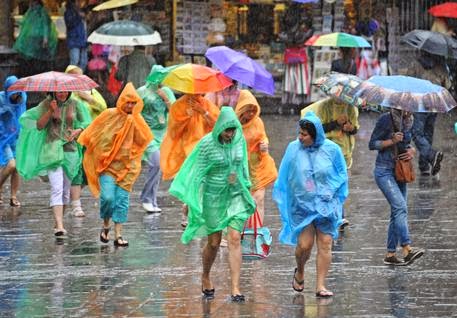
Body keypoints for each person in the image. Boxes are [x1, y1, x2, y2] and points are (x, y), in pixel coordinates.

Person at [169, 107, 256, 302]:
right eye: (227, 130)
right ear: (219, 128)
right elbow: (196, 172)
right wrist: (191, 199)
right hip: (213, 196)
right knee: (214, 242)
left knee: (234, 238)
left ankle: (235, 287)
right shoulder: (207, 144)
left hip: (235, 194)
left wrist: (247, 187)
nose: (230, 134)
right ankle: (206, 275)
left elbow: (243, 166)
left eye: (233, 130)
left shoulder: (239, 141)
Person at [273, 111, 348, 298]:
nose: (300, 137)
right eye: (299, 133)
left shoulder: (332, 150)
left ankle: (320, 285)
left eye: (304, 135)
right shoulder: (293, 149)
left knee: (325, 243)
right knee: (304, 245)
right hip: (303, 206)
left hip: (326, 205)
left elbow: (341, 174)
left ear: (315, 135)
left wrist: (330, 191)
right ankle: (300, 270)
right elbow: (285, 176)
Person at [78, 83, 152, 247]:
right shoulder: (109, 115)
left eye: (134, 103)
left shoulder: (137, 120)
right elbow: (94, 132)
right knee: (108, 198)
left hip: (128, 167)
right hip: (108, 166)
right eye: (128, 102)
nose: (131, 106)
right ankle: (106, 226)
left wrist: (133, 124)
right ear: (121, 101)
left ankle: (118, 234)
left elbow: (143, 141)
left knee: (121, 200)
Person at [16, 90, 91, 236]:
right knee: (57, 187)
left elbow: (87, 122)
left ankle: (58, 221)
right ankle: (60, 226)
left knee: (65, 190)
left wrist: (79, 130)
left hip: (70, 151)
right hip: (51, 149)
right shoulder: (46, 104)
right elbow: (38, 126)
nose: (62, 94)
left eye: (64, 91)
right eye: (59, 91)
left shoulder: (76, 104)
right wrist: (50, 111)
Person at [368, 108, 424, 265]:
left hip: (401, 171)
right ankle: (407, 248)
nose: (408, 109)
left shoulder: (410, 121)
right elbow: (372, 144)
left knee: (396, 210)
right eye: (405, 106)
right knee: (400, 207)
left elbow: (408, 144)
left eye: (411, 106)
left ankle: (390, 254)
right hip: (384, 171)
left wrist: (411, 150)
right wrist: (390, 141)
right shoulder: (385, 119)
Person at [160, 93, 220, 226]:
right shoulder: (179, 105)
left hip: (206, 148)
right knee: (195, 180)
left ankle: (190, 207)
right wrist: (187, 116)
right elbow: (173, 130)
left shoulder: (207, 104)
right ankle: (192, 211)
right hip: (187, 150)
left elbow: (218, 125)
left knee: (202, 182)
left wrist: (204, 112)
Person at [301, 97, 359, 230]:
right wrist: (336, 123)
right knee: (329, 181)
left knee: (340, 182)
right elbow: (318, 129)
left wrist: (350, 128)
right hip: (326, 151)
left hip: (344, 151)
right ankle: (336, 214)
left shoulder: (350, 108)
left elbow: (355, 129)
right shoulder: (324, 107)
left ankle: (336, 213)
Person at [64, 65, 107, 217]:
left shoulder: (91, 91)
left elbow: (103, 107)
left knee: (90, 172)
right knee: (77, 170)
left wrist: (88, 98)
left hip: (93, 137)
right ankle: (76, 204)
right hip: (75, 138)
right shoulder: (67, 94)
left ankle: (69, 193)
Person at [137, 66, 176, 213]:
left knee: (158, 168)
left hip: (162, 134)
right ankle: (146, 198)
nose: (162, 80)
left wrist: (165, 99)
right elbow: (134, 111)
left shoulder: (166, 91)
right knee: (156, 163)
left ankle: (151, 200)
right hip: (147, 133)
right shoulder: (142, 91)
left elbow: (175, 111)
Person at [234, 90, 277, 224]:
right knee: (240, 199)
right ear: (241, 108)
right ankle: (237, 229)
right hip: (240, 167)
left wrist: (265, 144)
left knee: (259, 198)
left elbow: (262, 136)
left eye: (254, 110)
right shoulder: (234, 124)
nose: (252, 113)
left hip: (257, 165)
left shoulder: (257, 122)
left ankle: (257, 230)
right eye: (249, 110)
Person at [406, 52, 449, 176]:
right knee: (428, 134)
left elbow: (408, 82)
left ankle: (431, 156)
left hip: (419, 103)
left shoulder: (416, 64)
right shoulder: (441, 66)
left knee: (417, 133)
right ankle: (424, 166)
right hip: (434, 103)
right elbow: (446, 86)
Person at [0, 76, 27, 207]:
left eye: (18, 90)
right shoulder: (1, 98)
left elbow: (24, 114)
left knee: (17, 169)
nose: (16, 94)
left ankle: (13, 196)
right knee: (11, 165)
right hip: (4, 138)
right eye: (13, 90)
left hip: (18, 136)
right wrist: (3, 112)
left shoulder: (23, 98)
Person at [13, 0, 58, 74]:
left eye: (31, 2)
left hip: (38, 39)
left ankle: (35, 73)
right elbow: (25, 22)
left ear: (36, 2)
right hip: (32, 40)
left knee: (37, 60)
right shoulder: (31, 11)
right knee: (33, 60)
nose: (30, 3)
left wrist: (45, 38)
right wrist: (15, 21)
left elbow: (46, 24)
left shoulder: (41, 11)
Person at [64, 0, 88, 72]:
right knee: (75, 62)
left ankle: (79, 78)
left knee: (83, 61)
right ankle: (72, 79)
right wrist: (79, 16)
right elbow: (70, 24)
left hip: (82, 40)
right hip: (74, 40)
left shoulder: (80, 11)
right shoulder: (69, 12)